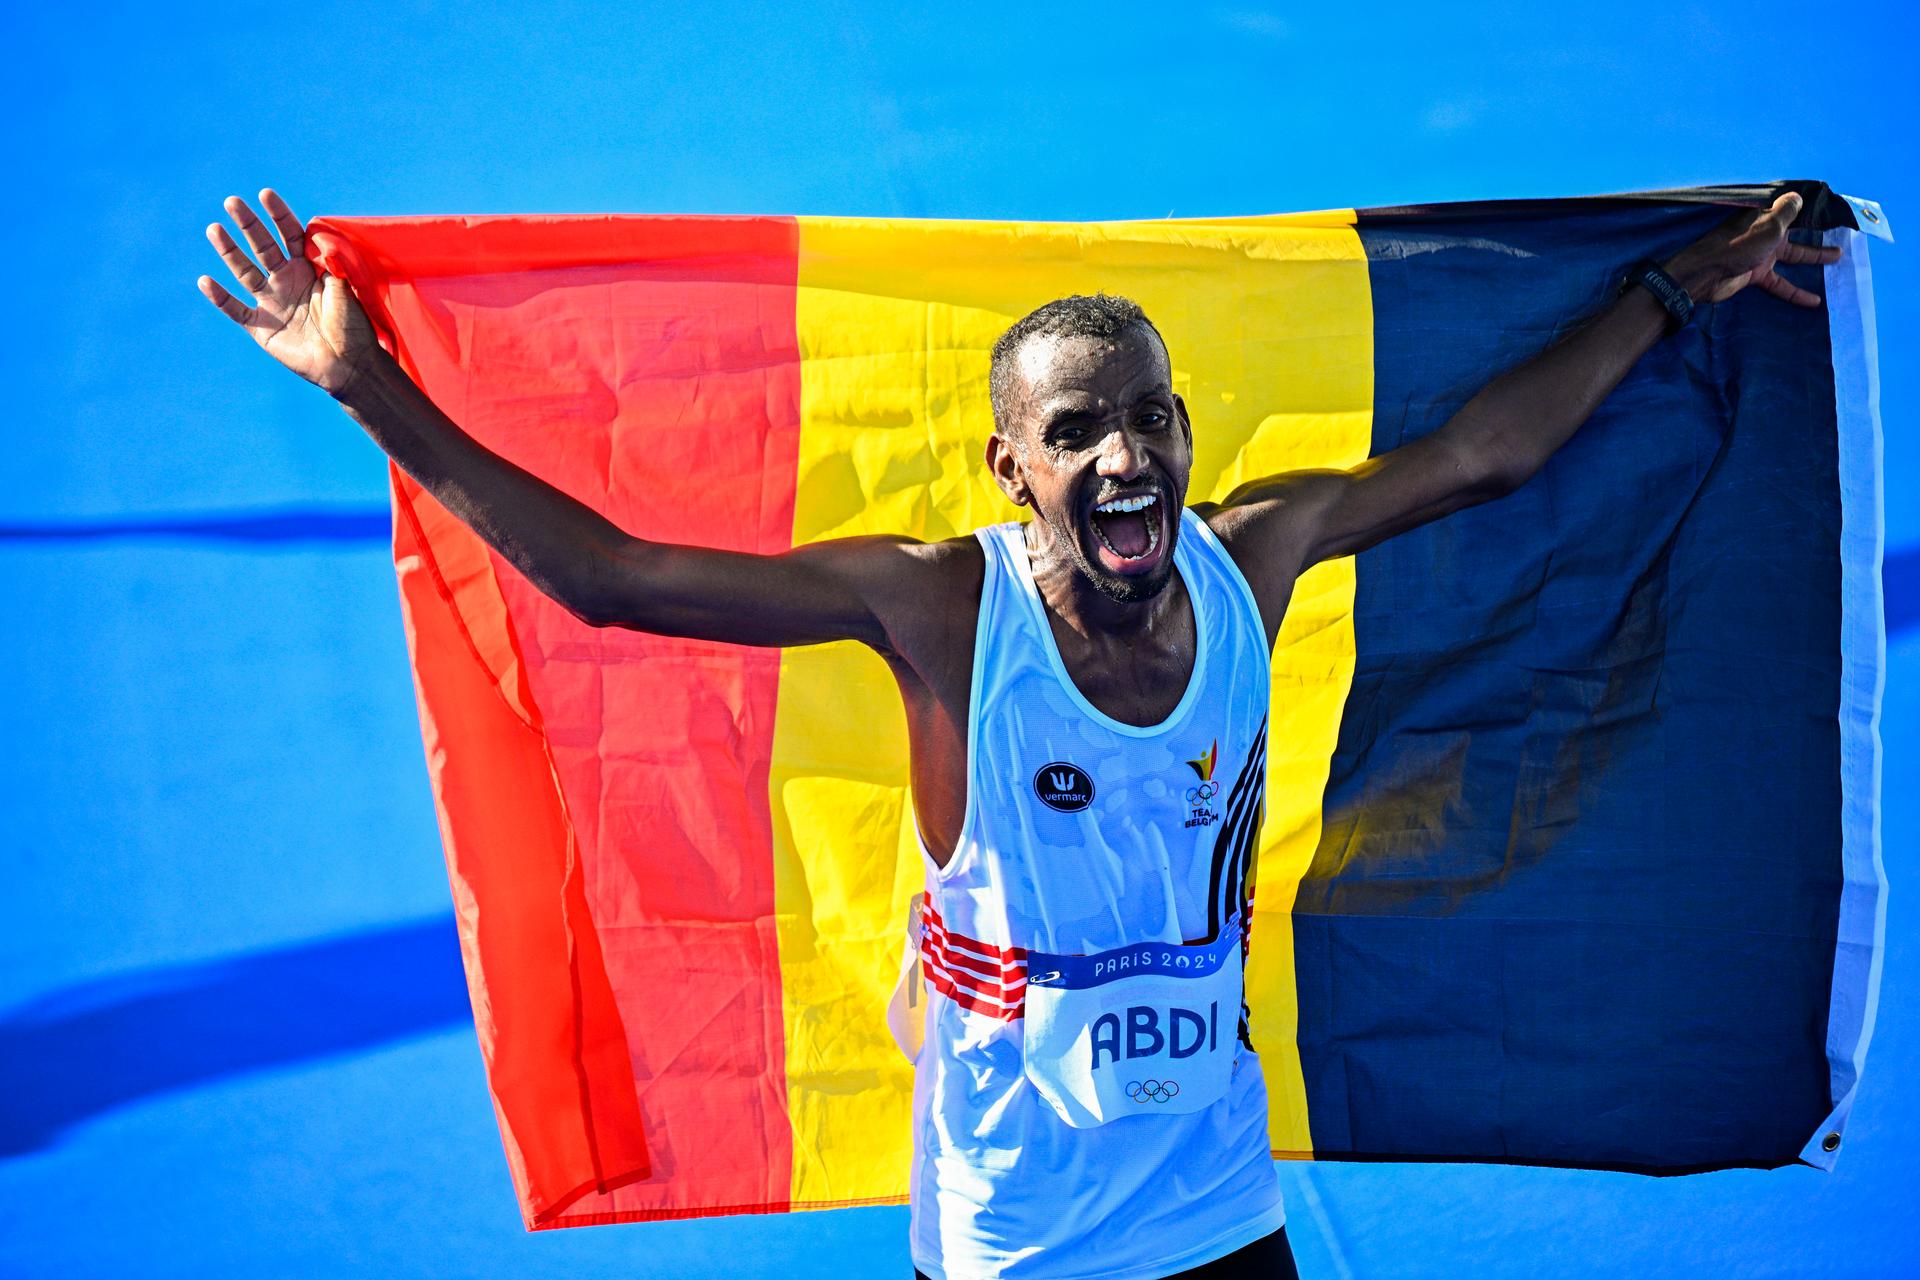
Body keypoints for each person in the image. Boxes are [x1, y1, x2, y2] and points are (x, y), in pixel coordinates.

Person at [199, 189, 1839, 1280]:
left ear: (1184, 431)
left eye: (1148, 418)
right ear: (1013, 471)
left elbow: (1484, 456)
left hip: (1213, 1195)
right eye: (1077, 433)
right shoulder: (940, 616)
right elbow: (614, 584)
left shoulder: (1248, 555)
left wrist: (1672, 289)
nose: (1124, 456)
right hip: (1017, 1232)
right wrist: (367, 385)